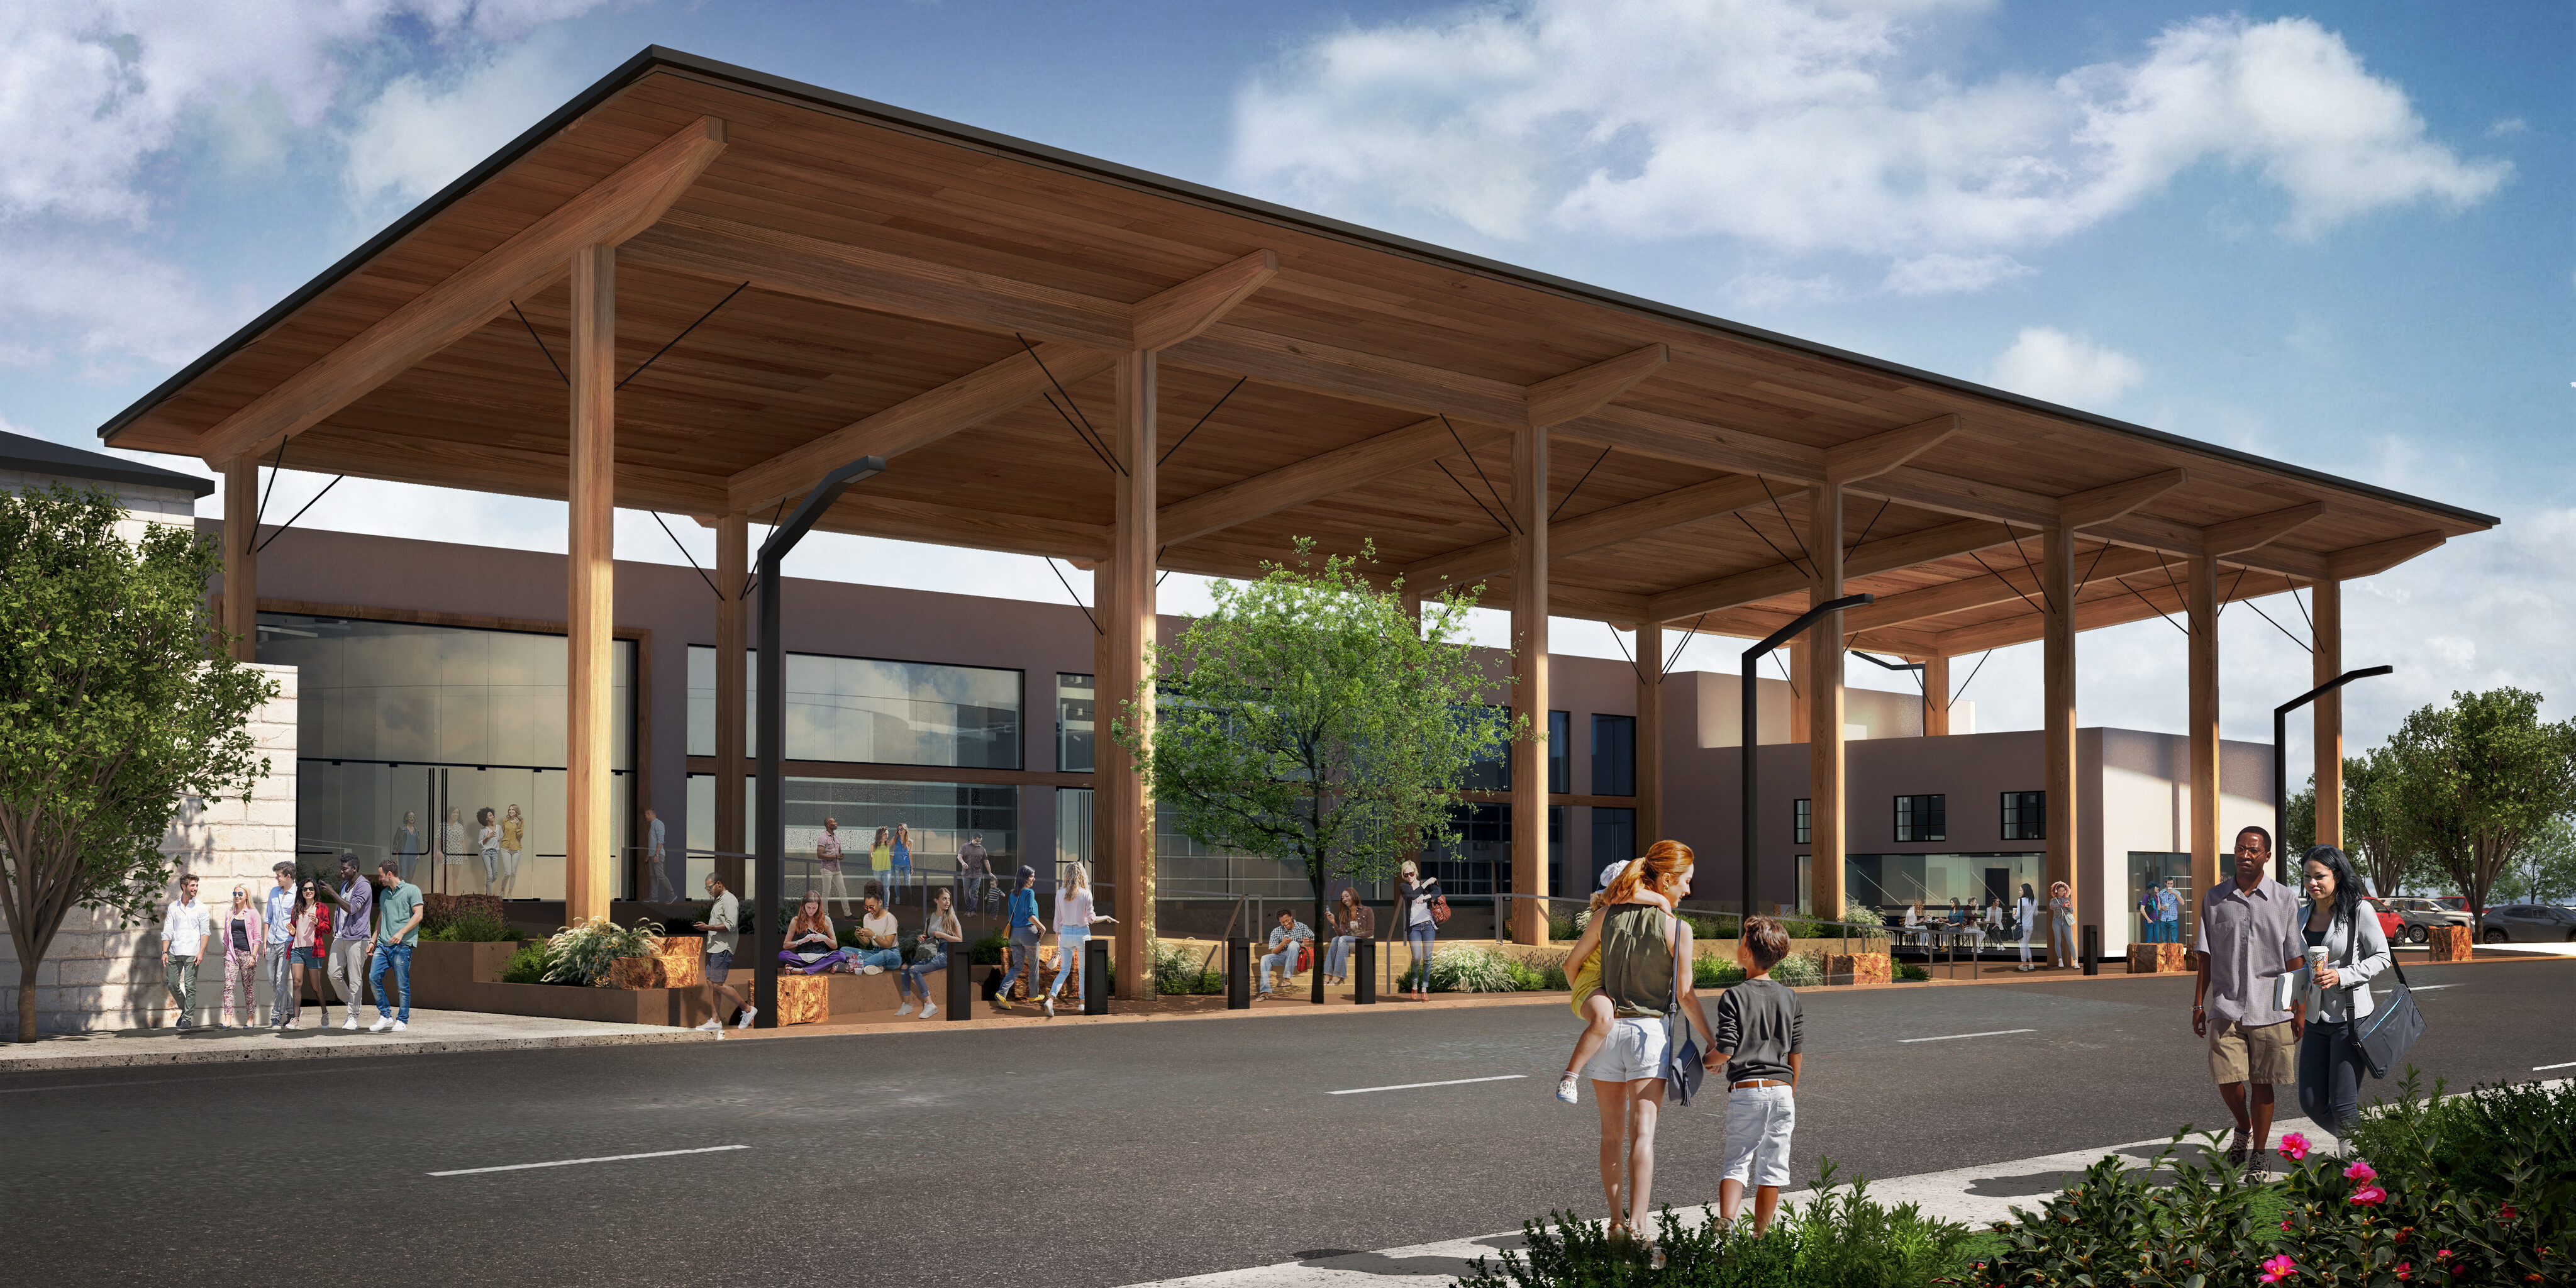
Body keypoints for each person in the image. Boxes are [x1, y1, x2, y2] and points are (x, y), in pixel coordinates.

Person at [1549, 840, 1716, 1265]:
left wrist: (1590, 996)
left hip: (1606, 1034)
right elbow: (1685, 994)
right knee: (1643, 1135)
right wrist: (1713, 1042)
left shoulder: (1606, 915)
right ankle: (1641, 1226)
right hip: (1648, 1034)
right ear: (1665, 879)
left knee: (1610, 1136)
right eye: (1686, 882)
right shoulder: (1678, 928)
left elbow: (1570, 967)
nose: (1688, 891)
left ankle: (1615, 1224)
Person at [2193, 825, 2306, 1182]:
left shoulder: (2286, 899)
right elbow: (2206, 957)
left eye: (2254, 850)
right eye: (2240, 849)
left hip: (2272, 1007)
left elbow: (2294, 960)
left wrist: (2297, 1009)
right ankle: (2243, 1125)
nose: (2245, 855)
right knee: (2227, 1079)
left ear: (2267, 856)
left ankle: (2259, 1154)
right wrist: (2198, 1005)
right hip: (2226, 1006)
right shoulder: (2214, 899)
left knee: (2263, 1081)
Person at [1711, 914, 1804, 1238]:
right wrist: (1790, 1090)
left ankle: (1728, 1225)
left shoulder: (1733, 996)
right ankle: (1761, 1237)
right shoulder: (1791, 998)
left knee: (1736, 1163)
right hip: (1782, 1091)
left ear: (1747, 952)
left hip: (1747, 1090)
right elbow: (1795, 1052)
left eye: (1741, 942)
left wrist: (1709, 1061)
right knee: (1772, 1170)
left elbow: (1726, 1048)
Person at [1555, 860, 1675, 1103]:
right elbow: (1570, 965)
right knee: (1604, 1019)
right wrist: (1583, 993)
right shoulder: (1606, 917)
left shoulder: (1625, 920)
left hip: (1608, 986)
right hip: (1593, 984)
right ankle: (1570, 1076)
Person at [2296, 846, 2390, 1136]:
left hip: (2351, 1018)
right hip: (2315, 1019)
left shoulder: (2358, 910)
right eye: (2307, 876)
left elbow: (2382, 956)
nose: (2312, 883)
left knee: (2343, 1103)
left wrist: (2342, 975)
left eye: (2319, 876)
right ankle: (2364, 1149)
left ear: (2336, 874)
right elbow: (2306, 965)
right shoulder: (2302, 915)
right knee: (2311, 1103)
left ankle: (2356, 1171)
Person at [1043, 862, 1114, 1017]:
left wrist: (1058, 942)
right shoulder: (1086, 894)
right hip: (1082, 934)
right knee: (1083, 971)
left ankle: (1050, 1000)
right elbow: (1091, 919)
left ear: (1066, 875)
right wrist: (1107, 917)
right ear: (1082, 875)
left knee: (1064, 971)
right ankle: (1082, 1003)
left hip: (1065, 934)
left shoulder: (1060, 894)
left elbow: (1057, 921)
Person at [367, 858, 423, 1032]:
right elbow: (381, 919)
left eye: (381, 875)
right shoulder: (384, 894)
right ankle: (385, 1015)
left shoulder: (412, 890)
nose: (380, 878)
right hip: (383, 945)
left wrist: (402, 932)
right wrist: (373, 940)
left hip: (403, 945)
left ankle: (402, 1020)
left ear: (390, 874)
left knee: (402, 985)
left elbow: (418, 915)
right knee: (373, 978)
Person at [693, 873, 752, 1032]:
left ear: (719, 884)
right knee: (711, 983)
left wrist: (707, 927)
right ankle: (716, 1020)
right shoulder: (719, 901)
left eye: (710, 887)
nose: (709, 891)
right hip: (714, 948)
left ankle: (747, 1010)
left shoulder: (729, 900)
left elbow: (731, 925)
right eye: (707, 888)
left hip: (723, 948)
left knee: (718, 985)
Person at [326, 852, 375, 1030]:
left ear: (354, 869)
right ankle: (353, 1003)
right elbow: (341, 912)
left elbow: (352, 908)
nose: (341, 871)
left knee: (355, 978)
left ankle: (353, 1016)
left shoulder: (363, 886)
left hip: (357, 937)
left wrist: (332, 893)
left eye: (344, 869)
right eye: (341, 868)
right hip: (341, 936)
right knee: (333, 974)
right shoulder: (344, 885)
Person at [899, 886, 964, 1018]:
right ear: (936, 900)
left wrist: (943, 935)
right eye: (944, 899)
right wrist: (921, 937)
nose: (947, 902)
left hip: (946, 953)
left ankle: (930, 1005)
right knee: (905, 968)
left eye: (949, 899)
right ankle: (907, 1005)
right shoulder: (930, 918)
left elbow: (960, 940)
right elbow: (926, 936)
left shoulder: (952, 918)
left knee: (914, 969)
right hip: (930, 951)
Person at [158, 871, 212, 1030]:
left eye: (197, 885)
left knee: (190, 986)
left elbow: (205, 932)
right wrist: (164, 952)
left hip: (193, 953)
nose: (196, 888)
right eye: (193, 885)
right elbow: (168, 931)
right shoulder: (173, 907)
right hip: (175, 951)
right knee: (172, 984)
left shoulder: (201, 908)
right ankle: (185, 1009)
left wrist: (201, 952)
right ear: (184, 886)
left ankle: (187, 1019)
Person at [992, 866, 1045, 1012]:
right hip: (1028, 933)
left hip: (1014, 935)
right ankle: (1034, 995)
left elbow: (1011, 917)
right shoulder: (1029, 892)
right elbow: (1030, 915)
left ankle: (1001, 993)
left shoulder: (1012, 895)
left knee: (1017, 967)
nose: (1034, 879)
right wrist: (1043, 928)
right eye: (1032, 876)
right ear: (1024, 878)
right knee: (1033, 966)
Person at [285, 876, 333, 1029]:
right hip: (297, 950)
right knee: (297, 983)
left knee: (316, 986)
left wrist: (318, 922)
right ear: (301, 892)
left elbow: (327, 928)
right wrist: (292, 932)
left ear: (315, 891)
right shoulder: (297, 908)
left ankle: (325, 1013)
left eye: (311, 889)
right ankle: (296, 1019)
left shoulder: (321, 908)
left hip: (314, 950)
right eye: (305, 889)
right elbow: (294, 929)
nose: (308, 891)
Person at [216, 884, 264, 1028]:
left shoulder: (253, 914)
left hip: (247, 955)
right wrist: (226, 957)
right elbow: (226, 937)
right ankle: (228, 1021)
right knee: (228, 987)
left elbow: (257, 938)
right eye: (235, 893)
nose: (237, 896)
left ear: (246, 896)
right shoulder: (230, 912)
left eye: (240, 894)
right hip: (232, 954)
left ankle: (250, 1020)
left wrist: (253, 956)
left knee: (248, 988)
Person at [1396, 860, 1442, 1002]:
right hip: (1413, 927)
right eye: (1406, 874)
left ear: (1415, 871)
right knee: (1416, 957)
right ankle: (1414, 985)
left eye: (1411, 873)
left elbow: (1438, 891)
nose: (1409, 876)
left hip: (1428, 925)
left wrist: (1428, 896)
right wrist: (1426, 884)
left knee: (1427, 958)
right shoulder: (1404, 887)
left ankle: (1424, 989)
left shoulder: (1424, 885)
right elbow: (1413, 896)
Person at [780, 892, 855, 974]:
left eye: (814, 908)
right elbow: (786, 945)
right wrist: (802, 941)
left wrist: (824, 938)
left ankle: (803, 970)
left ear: (819, 907)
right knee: (782, 955)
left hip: (822, 957)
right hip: (802, 957)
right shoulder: (796, 921)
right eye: (808, 907)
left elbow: (834, 946)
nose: (811, 911)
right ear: (803, 906)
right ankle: (823, 967)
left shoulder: (826, 920)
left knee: (841, 955)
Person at [261, 862, 296, 1028]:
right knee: (271, 980)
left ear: (288, 877)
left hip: (287, 942)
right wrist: (265, 942)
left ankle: (276, 1016)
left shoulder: (298, 894)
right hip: (272, 942)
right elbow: (268, 918)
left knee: (281, 981)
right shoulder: (274, 892)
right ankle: (292, 1009)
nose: (277, 878)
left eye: (279, 876)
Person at [1321, 887, 1375, 985]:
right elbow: (1341, 934)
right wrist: (1333, 923)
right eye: (1343, 898)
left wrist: (1354, 936)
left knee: (1343, 939)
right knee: (1335, 939)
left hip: (1365, 942)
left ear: (1354, 895)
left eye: (1347, 896)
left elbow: (1370, 932)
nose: (1345, 899)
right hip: (1348, 942)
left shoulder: (1367, 910)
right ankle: (1328, 974)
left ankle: (1339, 975)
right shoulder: (1344, 913)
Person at [1257, 908, 1314, 998]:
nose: (1286, 924)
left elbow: (1315, 939)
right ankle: (1265, 991)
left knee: (1294, 944)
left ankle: (1287, 979)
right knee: (1265, 958)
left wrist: (1310, 941)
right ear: (1280, 922)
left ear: (1291, 917)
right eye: (1283, 922)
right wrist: (1283, 943)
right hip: (1284, 957)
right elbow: (1274, 952)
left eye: (1287, 920)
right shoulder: (1276, 932)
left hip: (1299, 958)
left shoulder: (1302, 927)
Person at [852, 887, 904, 975]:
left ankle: (855, 966)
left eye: (872, 907)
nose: (869, 910)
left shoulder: (890, 918)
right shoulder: (867, 917)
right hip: (875, 953)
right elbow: (867, 943)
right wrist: (858, 935)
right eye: (867, 907)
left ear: (880, 902)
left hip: (892, 955)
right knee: (844, 950)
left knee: (886, 954)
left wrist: (873, 935)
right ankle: (875, 965)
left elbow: (888, 946)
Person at [813, 818, 849, 916]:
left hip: (837, 869)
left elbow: (839, 853)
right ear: (829, 825)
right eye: (834, 822)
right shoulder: (823, 838)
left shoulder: (837, 838)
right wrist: (836, 856)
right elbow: (819, 855)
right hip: (827, 869)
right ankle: (825, 915)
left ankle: (848, 914)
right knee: (826, 892)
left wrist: (841, 856)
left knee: (843, 891)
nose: (836, 823)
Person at [644, 806, 676, 902]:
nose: (646, 817)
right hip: (652, 856)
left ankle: (672, 894)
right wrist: (648, 856)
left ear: (650, 814)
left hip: (657, 855)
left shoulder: (658, 824)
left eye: (646, 815)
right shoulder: (652, 825)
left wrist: (657, 855)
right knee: (653, 876)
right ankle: (654, 898)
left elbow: (661, 840)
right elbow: (652, 843)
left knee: (660, 875)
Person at [958, 833, 991, 911]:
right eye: (977, 841)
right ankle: (968, 908)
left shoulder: (982, 849)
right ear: (973, 838)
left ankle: (973, 910)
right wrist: (963, 863)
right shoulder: (964, 846)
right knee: (966, 893)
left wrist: (990, 872)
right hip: (966, 874)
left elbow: (986, 861)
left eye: (980, 842)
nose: (978, 843)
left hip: (977, 875)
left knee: (974, 893)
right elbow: (959, 856)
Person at [498, 804, 525, 897]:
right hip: (505, 848)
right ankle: (502, 891)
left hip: (516, 849)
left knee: (514, 872)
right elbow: (501, 834)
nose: (511, 811)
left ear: (517, 811)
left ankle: (510, 893)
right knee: (508, 872)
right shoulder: (505, 821)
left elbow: (520, 836)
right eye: (509, 809)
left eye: (513, 810)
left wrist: (518, 826)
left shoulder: (521, 822)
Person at [392, 811, 424, 885]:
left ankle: (408, 890)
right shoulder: (402, 829)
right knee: (403, 874)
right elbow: (396, 842)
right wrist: (396, 856)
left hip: (413, 855)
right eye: (410, 817)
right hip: (404, 854)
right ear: (406, 818)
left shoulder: (416, 830)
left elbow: (418, 842)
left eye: (413, 817)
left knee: (411, 874)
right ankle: (402, 889)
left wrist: (419, 854)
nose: (412, 818)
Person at [2049, 880, 2076, 969]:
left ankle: (2075, 961)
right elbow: (2052, 906)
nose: (2062, 892)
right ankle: (2060, 960)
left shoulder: (2068, 899)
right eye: (2060, 891)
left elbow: (2072, 911)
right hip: (2056, 921)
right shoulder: (2053, 900)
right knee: (2058, 941)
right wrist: (2062, 905)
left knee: (2070, 941)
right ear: (2056, 891)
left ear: (2066, 891)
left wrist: (2069, 907)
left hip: (2066, 921)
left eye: (2063, 891)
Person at [477, 806, 502, 895]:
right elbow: (480, 844)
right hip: (486, 853)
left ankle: (488, 885)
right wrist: (487, 838)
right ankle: (489, 896)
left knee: (495, 876)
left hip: (495, 852)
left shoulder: (498, 827)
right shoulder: (483, 830)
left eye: (493, 815)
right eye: (490, 816)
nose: (493, 817)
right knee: (490, 875)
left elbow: (502, 837)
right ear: (486, 818)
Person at [2016, 883, 2039, 971]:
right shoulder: (2035, 900)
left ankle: (2024, 965)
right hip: (2030, 926)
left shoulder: (2021, 901)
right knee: (2026, 945)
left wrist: (2013, 916)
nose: (2019, 892)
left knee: (2023, 946)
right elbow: (2036, 914)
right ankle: (2031, 964)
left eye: (2021, 890)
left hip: (2022, 926)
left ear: (2025, 891)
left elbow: (2018, 915)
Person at [868, 826, 894, 904]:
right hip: (877, 870)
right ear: (880, 834)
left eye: (888, 834)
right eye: (885, 834)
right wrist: (873, 861)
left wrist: (893, 856)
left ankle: (886, 908)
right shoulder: (873, 845)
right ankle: (880, 906)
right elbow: (870, 854)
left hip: (887, 870)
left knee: (886, 889)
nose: (887, 836)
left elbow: (885, 854)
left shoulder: (888, 844)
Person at [889, 824, 913, 901]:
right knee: (897, 882)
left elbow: (909, 854)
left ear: (906, 830)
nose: (899, 831)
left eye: (901, 829)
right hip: (897, 865)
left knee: (908, 883)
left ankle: (909, 899)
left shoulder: (910, 841)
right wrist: (892, 855)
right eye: (898, 829)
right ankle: (898, 897)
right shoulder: (894, 839)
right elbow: (887, 848)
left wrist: (911, 867)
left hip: (907, 865)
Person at [2157, 879, 2183, 945]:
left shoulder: (2177, 893)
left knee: (2174, 941)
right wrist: (2162, 908)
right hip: (2164, 919)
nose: (2170, 885)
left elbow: (2182, 903)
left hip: (2173, 919)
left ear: (2173, 884)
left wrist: (2175, 894)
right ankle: (2165, 955)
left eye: (2171, 884)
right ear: (2166, 883)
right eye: (2168, 884)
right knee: (2164, 941)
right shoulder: (2161, 893)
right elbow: (2158, 906)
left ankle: (2174, 956)